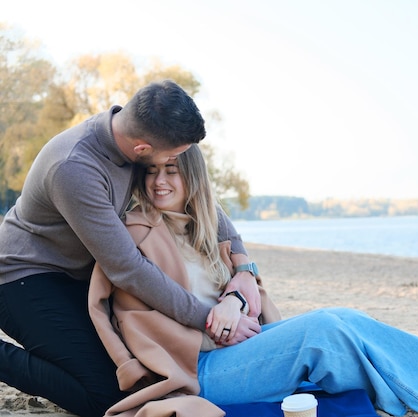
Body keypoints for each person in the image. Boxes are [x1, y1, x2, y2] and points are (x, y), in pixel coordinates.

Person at [90, 144, 418, 417]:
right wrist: (219, 318)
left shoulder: (205, 227)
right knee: (325, 330)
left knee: (342, 323)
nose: (159, 182)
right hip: (199, 371)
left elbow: (246, 287)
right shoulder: (136, 233)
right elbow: (140, 317)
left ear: (192, 177)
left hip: (240, 352)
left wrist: (237, 294)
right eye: (151, 172)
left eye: (171, 170)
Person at [0, 80, 261, 417]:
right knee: (108, 399)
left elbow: (200, 199)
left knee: (134, 380)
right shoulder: (75, 167)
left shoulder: (135, 135)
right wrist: (208, 319)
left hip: (80, 275)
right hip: (25, 279)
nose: (172, 165)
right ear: (142, 150)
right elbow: (127, 268)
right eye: (172, 157)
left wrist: (243, 268)